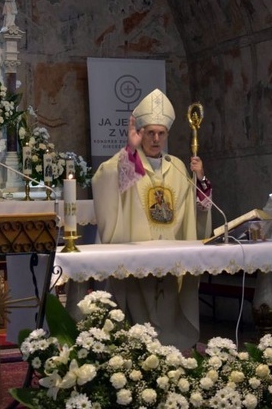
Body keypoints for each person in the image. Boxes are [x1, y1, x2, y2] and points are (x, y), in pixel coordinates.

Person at [91, 88, 212, 349]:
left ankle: (173, 348)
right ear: (140, 133)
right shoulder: (131, 162)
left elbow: (198, 208)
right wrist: (129, 150)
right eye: (150, 133)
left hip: (172, 259)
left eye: (161, 133)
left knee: (169, 311)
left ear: (167, 134)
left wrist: (200, 178)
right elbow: (107, 181)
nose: (156, 139)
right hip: (139, 258)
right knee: (139, 315)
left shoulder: (178, 167)